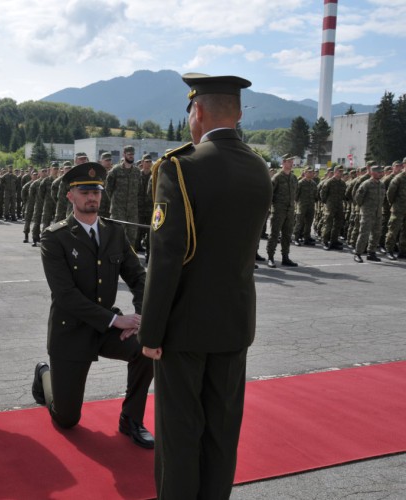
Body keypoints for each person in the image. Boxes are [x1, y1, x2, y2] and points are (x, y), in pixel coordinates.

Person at [139, 73, 272, 499]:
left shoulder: (181, 166)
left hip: (184, 327)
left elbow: (166, 257)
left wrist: (151, 332)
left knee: (179, 434)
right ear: (237, 113)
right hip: (233, 323)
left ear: (196, 111)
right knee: (221, 432)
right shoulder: (259, 167)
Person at [32, 162, 154, 448]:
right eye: (85, 191)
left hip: (104, 328)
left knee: (145, 348)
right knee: (67, 419)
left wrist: (140, 316)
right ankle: (44, 374)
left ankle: (131, 418)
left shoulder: (113, 232)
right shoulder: (55, 237)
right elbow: (66, 296)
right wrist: (116, 321)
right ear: (70, 196)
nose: (92, 197)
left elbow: (138, 277)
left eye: (96, 191)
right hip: (71, 331)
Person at [267, 153, 298, 267]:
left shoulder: (294, 178)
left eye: (292, 161)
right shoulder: (277, 177)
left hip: (290, 211)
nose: (291, 163)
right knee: (274, 234)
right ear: (283, 162)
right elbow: (270, 194)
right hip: (279, 210)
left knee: (287, 235)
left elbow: (296, 194)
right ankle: (270, 257)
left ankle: (285, 257)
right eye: (289, 161)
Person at [353, 164, 385, 262]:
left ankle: (371, 253)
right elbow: (358, 199)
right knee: (364, 234)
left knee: (376, 234)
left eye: (381, 172)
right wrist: (365, 208)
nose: (381, 174)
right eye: (378, 172)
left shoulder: (381, 184)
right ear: (372, 173)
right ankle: (358, 253)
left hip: (378, 213)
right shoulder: (366, 184)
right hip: (367, 213)